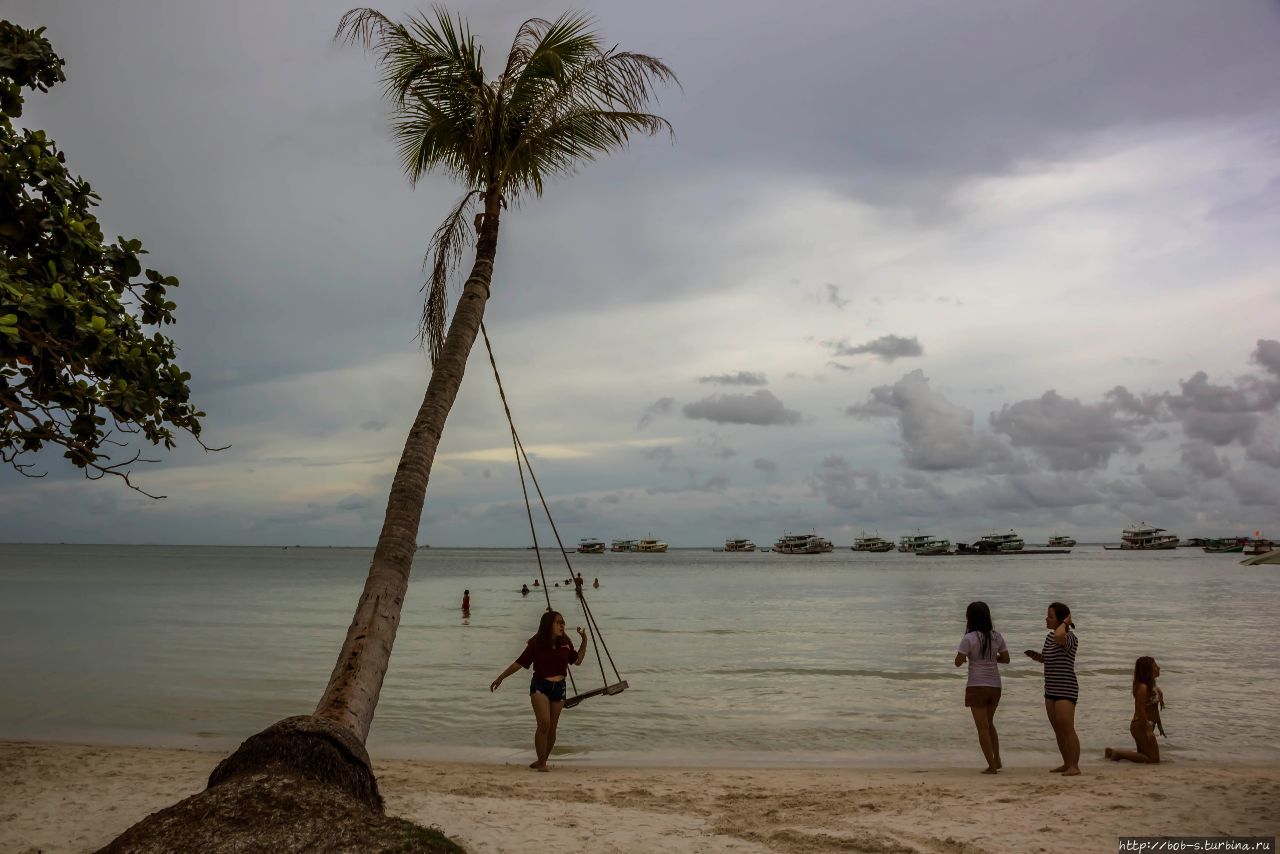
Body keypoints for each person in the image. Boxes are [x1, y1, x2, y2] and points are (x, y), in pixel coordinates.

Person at [490, 611, 587, 771]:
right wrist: (501, 677)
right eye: (558, 622)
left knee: (552, 728)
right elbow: (519, 663)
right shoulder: (536, 644)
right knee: (544, 723)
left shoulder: (565, 643)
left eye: (563, 622)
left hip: (560, 688)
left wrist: (584, 640)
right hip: (540, 686)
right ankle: (542, 763)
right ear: (548, 625)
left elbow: (578, 660)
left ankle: (542, 760)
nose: (562, 625)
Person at [1024, 601, 1081, 775]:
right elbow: (1048, 658)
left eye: (1050, 616)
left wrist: (1066, 622)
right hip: (1051, 688)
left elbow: (1060, 638)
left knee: (1067, 728)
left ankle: (1074, 766)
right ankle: (1066, 762)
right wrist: (1037, 657)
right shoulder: (1050, 637)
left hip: (1066, 688)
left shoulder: (1069, 638)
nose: (1046, 619)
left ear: (1060, 620)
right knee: (1057, 729)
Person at [954, 601, 1009, 773]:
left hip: (977, 686)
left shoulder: (968, 639)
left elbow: (958, 662)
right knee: (990, 723)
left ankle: (991, 766)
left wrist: (968, 658)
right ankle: (997, 760)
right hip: (995, 686)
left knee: (982, 728)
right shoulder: (996, 636)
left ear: (969, 618)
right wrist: (991, 659)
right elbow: (1006, 659)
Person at [1105, 657, 1162, 763]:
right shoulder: (1143, 687)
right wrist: (1147, 730)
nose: (1158, 667)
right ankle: (1118, 753)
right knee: (1154, 759)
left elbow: (1154, 708)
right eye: (1155, 666)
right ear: (1147, 670)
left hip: (1147, 725)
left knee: (1144, 756)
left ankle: (1112, 752)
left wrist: (1159, 724)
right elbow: (1140, 709)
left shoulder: (1153, 687)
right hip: (1141, 725)